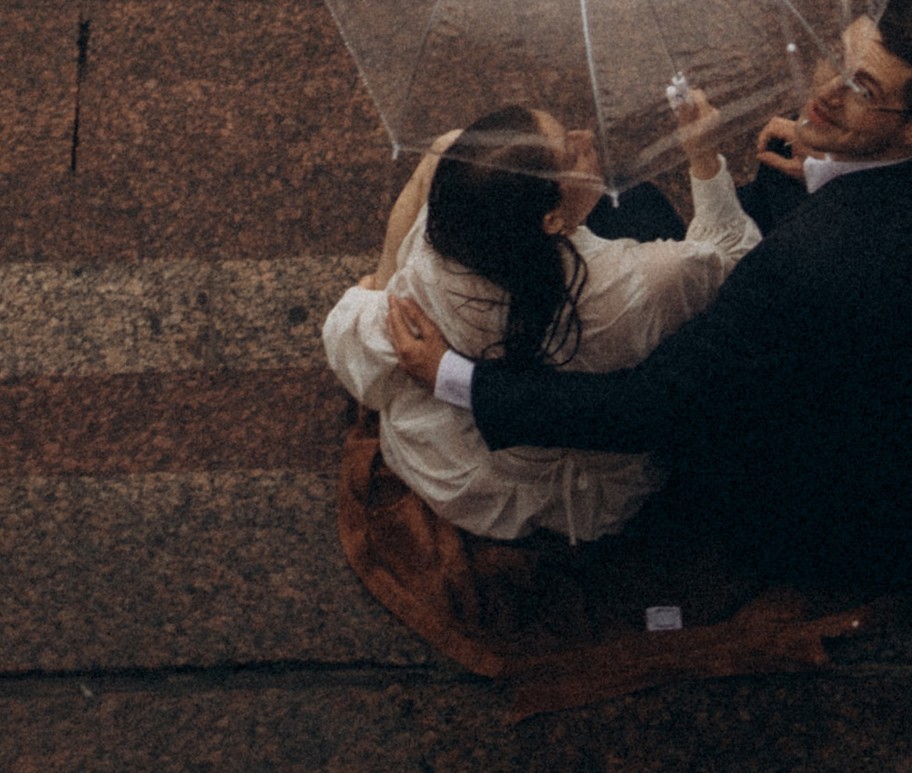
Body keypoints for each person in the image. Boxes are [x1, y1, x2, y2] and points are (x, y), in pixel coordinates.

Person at [385, 0, 912, 598]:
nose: (825, 94)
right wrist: (828, 171)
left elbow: (646, 407)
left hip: (826, 506)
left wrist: (454, 377)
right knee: (637, 209)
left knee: (625, 215)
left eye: (865, 91)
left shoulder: (804, 268)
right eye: (840, 60)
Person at [323, 87, 760, 545]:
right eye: (571, 151)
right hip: (585, 469)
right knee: (641, 204)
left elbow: (351, 342)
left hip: (460, 467)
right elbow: (735, 256)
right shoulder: (650, 279)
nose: (584, 134)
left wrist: (369, 293)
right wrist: (703, 155)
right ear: (552, 222)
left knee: (444, 148)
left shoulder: (437, 257)